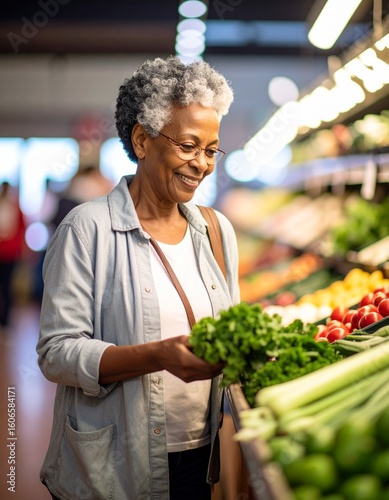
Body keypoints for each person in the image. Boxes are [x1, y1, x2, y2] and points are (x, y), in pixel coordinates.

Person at [37, 56, 239, 500]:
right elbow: (57, 352)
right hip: (112, 465)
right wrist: (159, 355)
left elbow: (233, 329)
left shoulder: (216, 231)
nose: (201, 164)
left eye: (210, 150)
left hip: (199, 454)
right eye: (188, 146)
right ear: (143, 140)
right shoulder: (86, 229)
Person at [0, 181, 26, 330]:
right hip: (7, 252)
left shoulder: (15, 207)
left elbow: (21, 230)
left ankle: (5, 322)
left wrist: (23, 251)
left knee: (7, 287)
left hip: (9, 254)